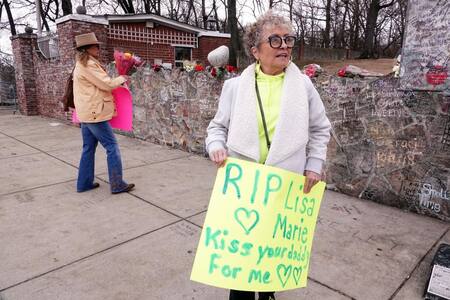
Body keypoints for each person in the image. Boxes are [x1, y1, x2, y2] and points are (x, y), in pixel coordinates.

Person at [205, 10, 331, 300]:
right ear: (255, 51)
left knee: (270, 254)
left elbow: (321, 128)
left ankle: (268, 293)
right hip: (243, 189)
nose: (284, 46)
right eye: (274, 40)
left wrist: (314, 165)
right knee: (241, 263)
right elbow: (216, 127)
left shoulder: (304, 86)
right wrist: (215, 146)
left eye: (288, 39)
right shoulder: (234, 87)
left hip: (282, 188)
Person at [73, 32, 135, 194]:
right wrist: (122, 78)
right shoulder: (88, 65)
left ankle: (84, 183)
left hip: (87, 113)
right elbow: (106, 85)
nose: (98, 48)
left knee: (88, 148)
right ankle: (117, 184)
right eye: (95, 46)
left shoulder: (81, 64)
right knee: (112, 146)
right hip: (95, 113)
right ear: (86, 49)